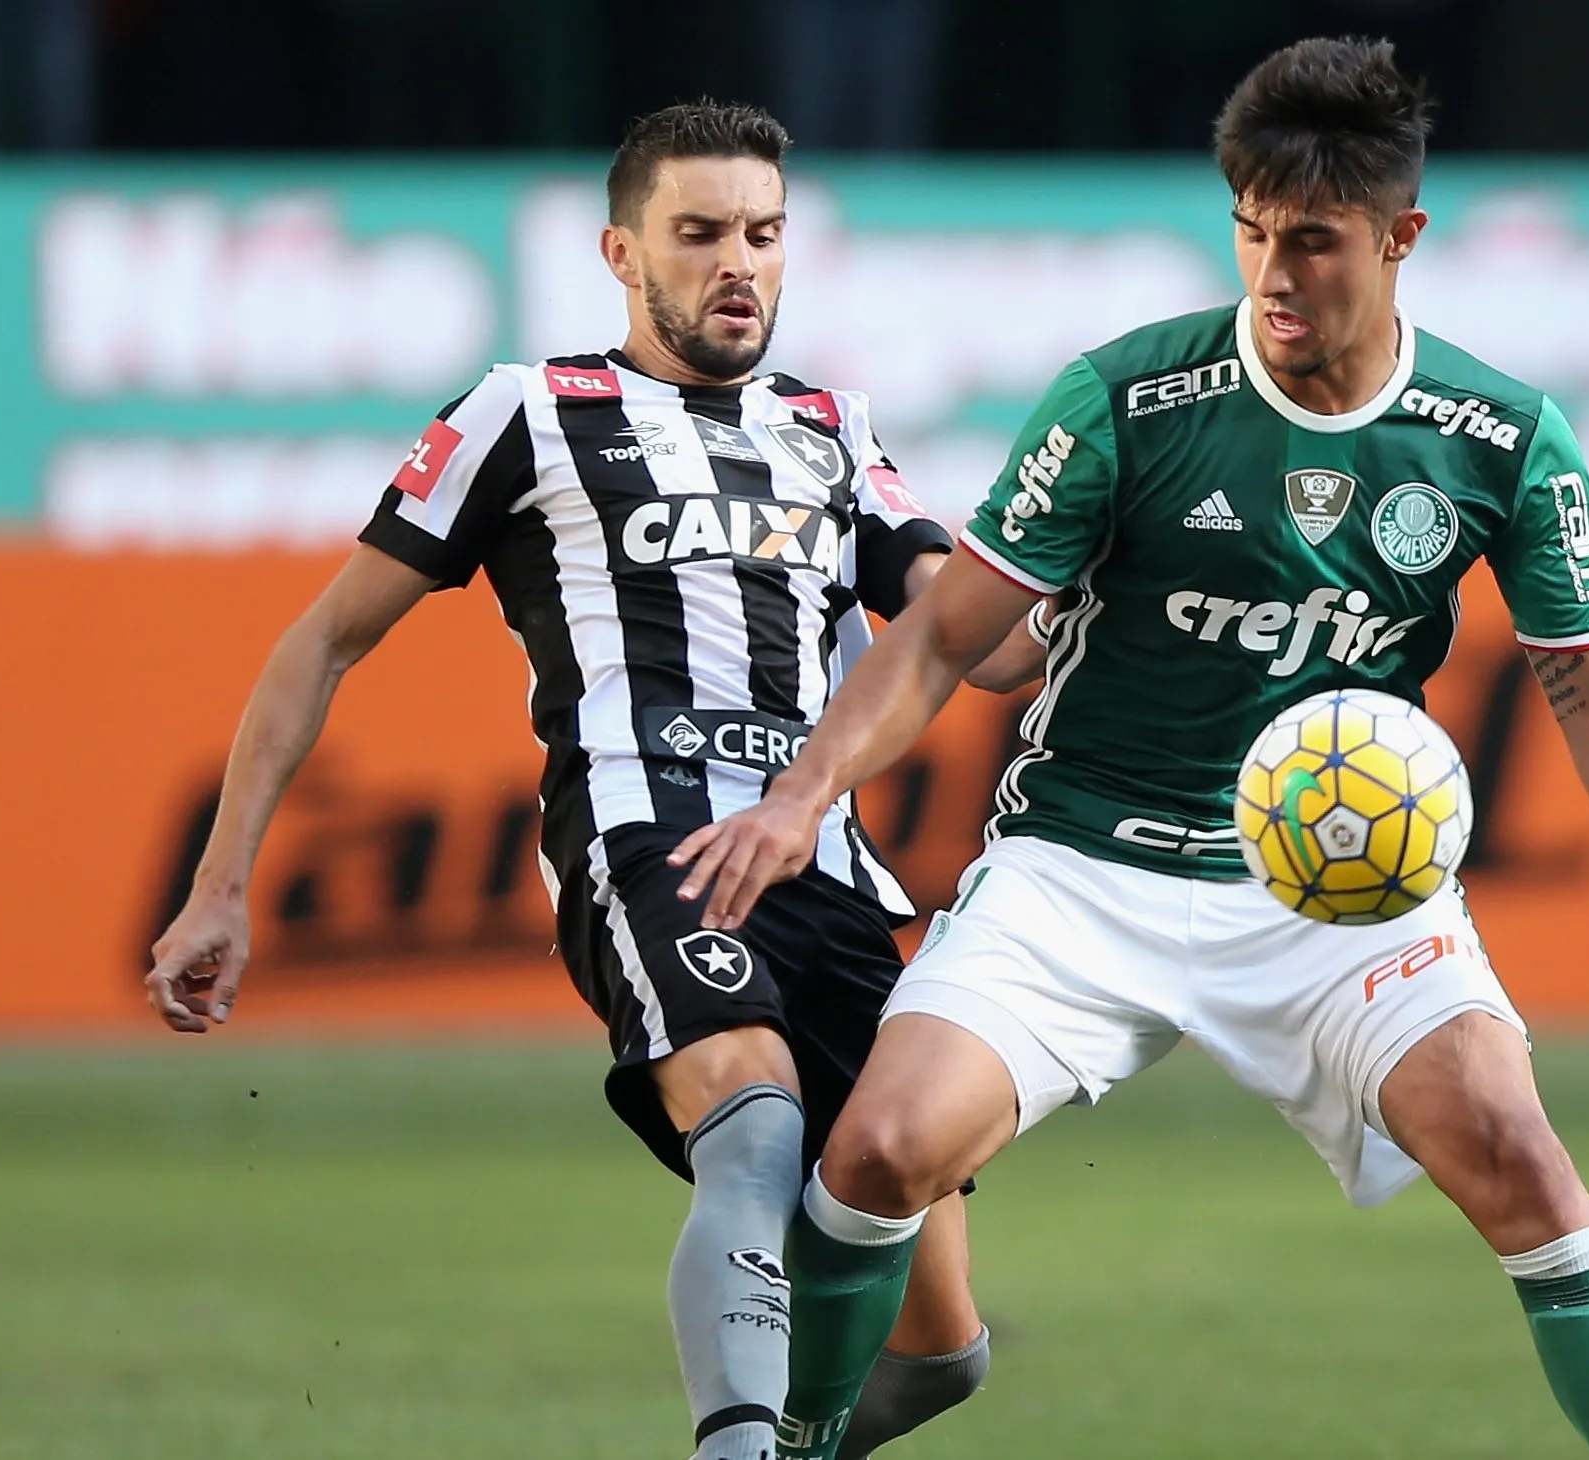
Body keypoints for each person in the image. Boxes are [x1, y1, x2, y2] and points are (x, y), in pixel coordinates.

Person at [677, 38, 1589, 1460]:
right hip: (1084, 864)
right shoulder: (1129, 400)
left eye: (1313, 241)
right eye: (1251, 232)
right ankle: (796, 1446)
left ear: (1401, 235)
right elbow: (940, 640)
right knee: (877, 1153)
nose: (1274, 274)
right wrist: (802, 795)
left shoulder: (1497, 438)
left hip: (1337, 896)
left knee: (1519, 1158)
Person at [144, 101, 1039, 1460]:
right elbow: (322, 640)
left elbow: (979, 642)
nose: (738, 263)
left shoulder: (833, 430)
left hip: (831, 868)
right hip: (648, 832)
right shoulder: (528, 411)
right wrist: (222, 885)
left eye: (763, 234)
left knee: (939, 1352)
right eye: (700, 233)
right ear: (622, 253)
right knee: (752, 1128)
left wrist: (1098, 570)